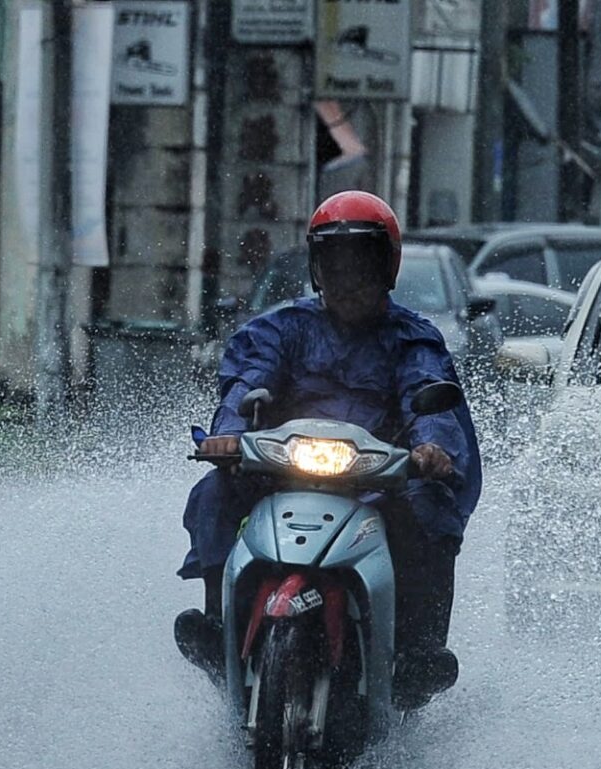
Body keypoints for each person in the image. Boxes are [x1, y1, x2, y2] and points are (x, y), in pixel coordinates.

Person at [174, 190, 483, 710]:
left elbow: (429, 396)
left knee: (430, 510)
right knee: (214, 490)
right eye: (335, 263)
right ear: (317, 267)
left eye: (361, 262)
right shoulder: (280, 328)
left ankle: (418, 654)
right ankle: (217, 625)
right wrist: (226, 434)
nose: (348, 277)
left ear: (387, 266)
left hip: (378, 483)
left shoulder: (413, 339)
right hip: (280, 472)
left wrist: (433, 447)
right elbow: (245, 383)